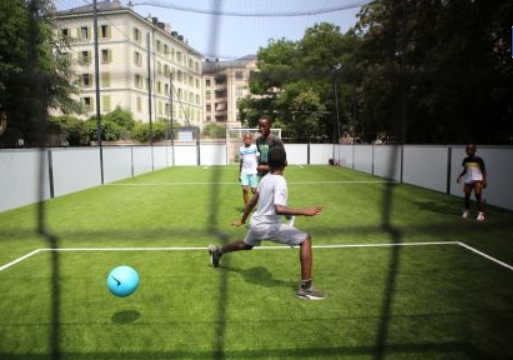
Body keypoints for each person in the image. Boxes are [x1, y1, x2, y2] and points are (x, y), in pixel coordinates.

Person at [208, 146, 326, 300]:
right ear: (286, 163)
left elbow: (251, 202)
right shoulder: (280, 181)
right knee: (305, 239)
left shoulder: (265, 179)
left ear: (268, 164)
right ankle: (306, 288)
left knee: (247, 244)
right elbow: (279, 208)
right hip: (267, 226)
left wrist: (242, 220)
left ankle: (218, 252)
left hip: (256, 222)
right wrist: (306, 211)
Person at [255, 115, 295, 226]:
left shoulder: (276, 140)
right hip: (262, 174)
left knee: (277, 199)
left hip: (275, 174)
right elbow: (262, 157)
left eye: (264, 126)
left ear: (270, 126)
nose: (261, 128)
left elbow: (284, 162)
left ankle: (290, 216)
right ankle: (265, 220)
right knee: (262, 196)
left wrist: (267, 168)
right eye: (260, 126)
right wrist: (260, 167)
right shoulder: (258, 141)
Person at [456, 143, 487, 221]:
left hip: (478, 179)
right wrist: (460, 176)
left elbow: (483, 170)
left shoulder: (479, 159)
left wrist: (485, 181)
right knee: (466, 196)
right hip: (469, 180)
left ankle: (481, 213)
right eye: (467, 149)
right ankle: (467, 211)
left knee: (477, 195)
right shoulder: (465, 160)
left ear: (474, 150)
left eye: (470, 149)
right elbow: (466, 170)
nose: (468, 150)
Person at [238, 132, 259, 207]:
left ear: (251, 140)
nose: (247, 140)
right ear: (244, 140)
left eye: (249, 138)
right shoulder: (241, 149)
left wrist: (260, 169)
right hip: (244, 172)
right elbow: (241, 161)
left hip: (253, 172)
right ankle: (247, 207)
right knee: (245, 189)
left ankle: (261, 205)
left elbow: (258, 158)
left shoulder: (255, 147)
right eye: (246, 138)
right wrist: (239, 173)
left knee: (254, 191)